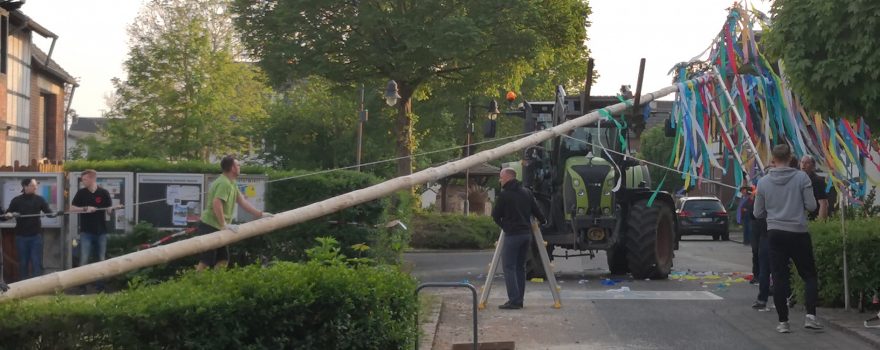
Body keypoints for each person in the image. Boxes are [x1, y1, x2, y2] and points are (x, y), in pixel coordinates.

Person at [754, 144, 822, 333]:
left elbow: (757, 212)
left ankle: (783, 322)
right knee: (808, 275)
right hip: (798, 231)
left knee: (779, 276)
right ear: (791, 157)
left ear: (773, 159)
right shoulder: (802, 178)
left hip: (775, 232)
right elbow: (811, 205)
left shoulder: (764, 182)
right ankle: (810, 317)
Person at [197, 155, 272, 271]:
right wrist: (224, 224)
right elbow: (217, 203)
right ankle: (198, 284)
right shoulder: (224, 183)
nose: (240, 167)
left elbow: (242, 201)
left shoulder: (232, 183)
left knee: (223, 259)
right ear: (232, 168)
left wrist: (260, 214)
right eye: (238, 165)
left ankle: (216, 283)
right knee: (207, 260)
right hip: (210, 226)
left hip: (219, 227)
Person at [491, 168, 546, 310]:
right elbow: (538, 212)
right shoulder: (526, 192)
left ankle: (514, 300)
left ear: (508, 178)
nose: (500, 180)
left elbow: (496, 215)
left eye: (501, 178)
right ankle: (519, 299)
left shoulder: (504, 195)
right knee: (520, 268)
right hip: (526, 235)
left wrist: (506, 227)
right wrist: (542, 221)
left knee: (509, 267)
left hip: (512, 235)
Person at [6, 178, 57, 280]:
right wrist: (10, 215)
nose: (35, 187)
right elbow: (6, 215)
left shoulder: (40, 199)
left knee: (36, 261)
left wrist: (56, 213)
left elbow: (49, 213)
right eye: (33, 185)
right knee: (23, 262)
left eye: (35, 185)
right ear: (25, 187)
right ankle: (23, 286)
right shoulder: (16, 200)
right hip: (21, 236)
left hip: (35, 236)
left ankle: (37, 286)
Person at [71, 170, 117, 269]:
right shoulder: (81, 193)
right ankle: (81, 283)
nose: (83, 182)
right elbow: (72, 208)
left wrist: (110, 210)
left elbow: (109, 211)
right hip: (86, 232)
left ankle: (99, 284)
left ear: (93, 179)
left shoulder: (103, 193)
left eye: (85, 179)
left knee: (101, 259)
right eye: (82, 180)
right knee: (84, 259)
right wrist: (85, 208)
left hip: (101, 232)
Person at [800, 155, 829, 220]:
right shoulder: (797, 180)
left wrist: (820, 223)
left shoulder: (818, 181)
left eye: (807, 163)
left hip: (813, 218)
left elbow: (823, 203)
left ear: (813, 166)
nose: (803, 165)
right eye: (802, 162)